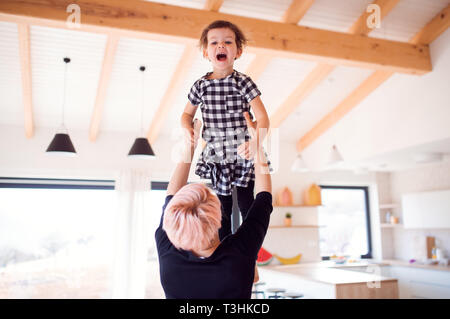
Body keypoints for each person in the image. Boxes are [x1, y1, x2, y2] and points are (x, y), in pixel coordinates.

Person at [155, 114, 272, 299]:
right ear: (218, 217)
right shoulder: (166, 247)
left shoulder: (168, 251)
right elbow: (264, 196)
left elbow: (264, 197)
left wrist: (191, 144)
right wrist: (256, 141)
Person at [181, 20, 271, 240]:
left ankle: (250, 246)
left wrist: (255, 143)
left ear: (238, 51)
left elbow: (263, 118)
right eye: (214, 43)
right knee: (222, 206)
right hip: (217, 153)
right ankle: (223, 247)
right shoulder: (200, 85)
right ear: (206, 52)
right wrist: (187, 129)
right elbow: (186, 115)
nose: (221, 46)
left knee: (246, 202)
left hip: (242, 150)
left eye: (227, 42)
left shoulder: (243, 82)